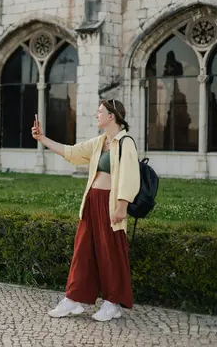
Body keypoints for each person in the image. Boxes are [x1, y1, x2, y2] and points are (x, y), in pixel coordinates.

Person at [31, 99, 140, 322]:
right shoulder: (99, 142)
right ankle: (74, 299)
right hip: (91, 202)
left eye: (100, 111)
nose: (96, 115)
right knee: (83, 251)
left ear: (112, 116)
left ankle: (113, 303)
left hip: (111, 204)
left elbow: (130, 176)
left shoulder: (125, 142)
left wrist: (122, 206)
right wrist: (42, 138)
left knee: (110, 254)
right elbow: (71, 152)